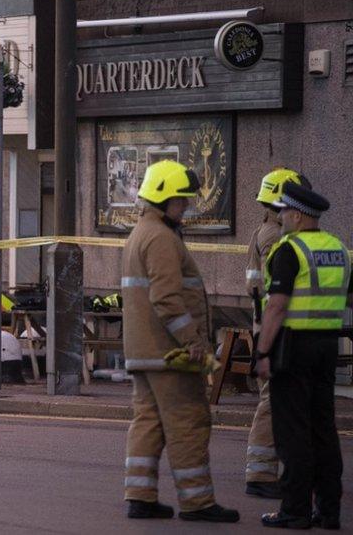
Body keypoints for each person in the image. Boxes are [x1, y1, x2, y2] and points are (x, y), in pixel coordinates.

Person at [120, 160, 239, 523]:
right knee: (189, 420)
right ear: (162, 198)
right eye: (181, 200)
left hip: (145, 352)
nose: (185, 206)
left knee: (149, 421)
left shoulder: (142, 232)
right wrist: (195, 342)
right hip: (169, 353)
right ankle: (197, 502)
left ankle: (140, 496)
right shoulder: (160, 238)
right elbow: (167, 298)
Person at [254, 182, 349, 530]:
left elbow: (276, 307)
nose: (280, 217)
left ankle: (295, 510)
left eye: (283, 212)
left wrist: (262, 351)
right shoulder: (339, 249)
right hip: (327, 348)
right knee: (324, 429)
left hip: (292, 349)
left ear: (296, 215)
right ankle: (329, 511)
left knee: (293, 432)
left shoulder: (289, 250)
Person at [242, 168, 309, 499]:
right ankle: (260, 472)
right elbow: (277, 292)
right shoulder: (275, 238)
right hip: (274, 326)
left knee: (277, 399)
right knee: (272, 400)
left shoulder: (263, 231)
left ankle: (269, 470)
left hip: (266, 323)